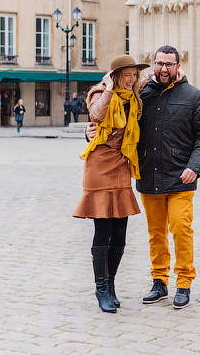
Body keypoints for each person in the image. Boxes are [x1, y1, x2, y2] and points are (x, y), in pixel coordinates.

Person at [86, 45, 200, 310]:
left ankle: (183, 283)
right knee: (155, 233)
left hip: (182, 177)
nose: (163, 69)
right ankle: (159, 281)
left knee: (181, 229)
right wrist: (88, 133)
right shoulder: (141, 95)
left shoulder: (193, 96)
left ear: (178, 66)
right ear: (154, 65)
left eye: (169, 64)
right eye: (159, 63)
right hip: (149, 176)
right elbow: (111, 125)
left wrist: (195, 166)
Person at [73, 54, 149, 313]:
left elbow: (153, 80)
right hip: (100, 166)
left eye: (134, 75)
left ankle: (111, 284)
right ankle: (101, 289)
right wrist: (107, 87)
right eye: (126, 75)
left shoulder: (134, 98)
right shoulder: (100, 93)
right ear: (115, 76)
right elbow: (95, 114)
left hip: (122, 166)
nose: (131, 79)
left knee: (120, 234)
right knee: (103, 231)